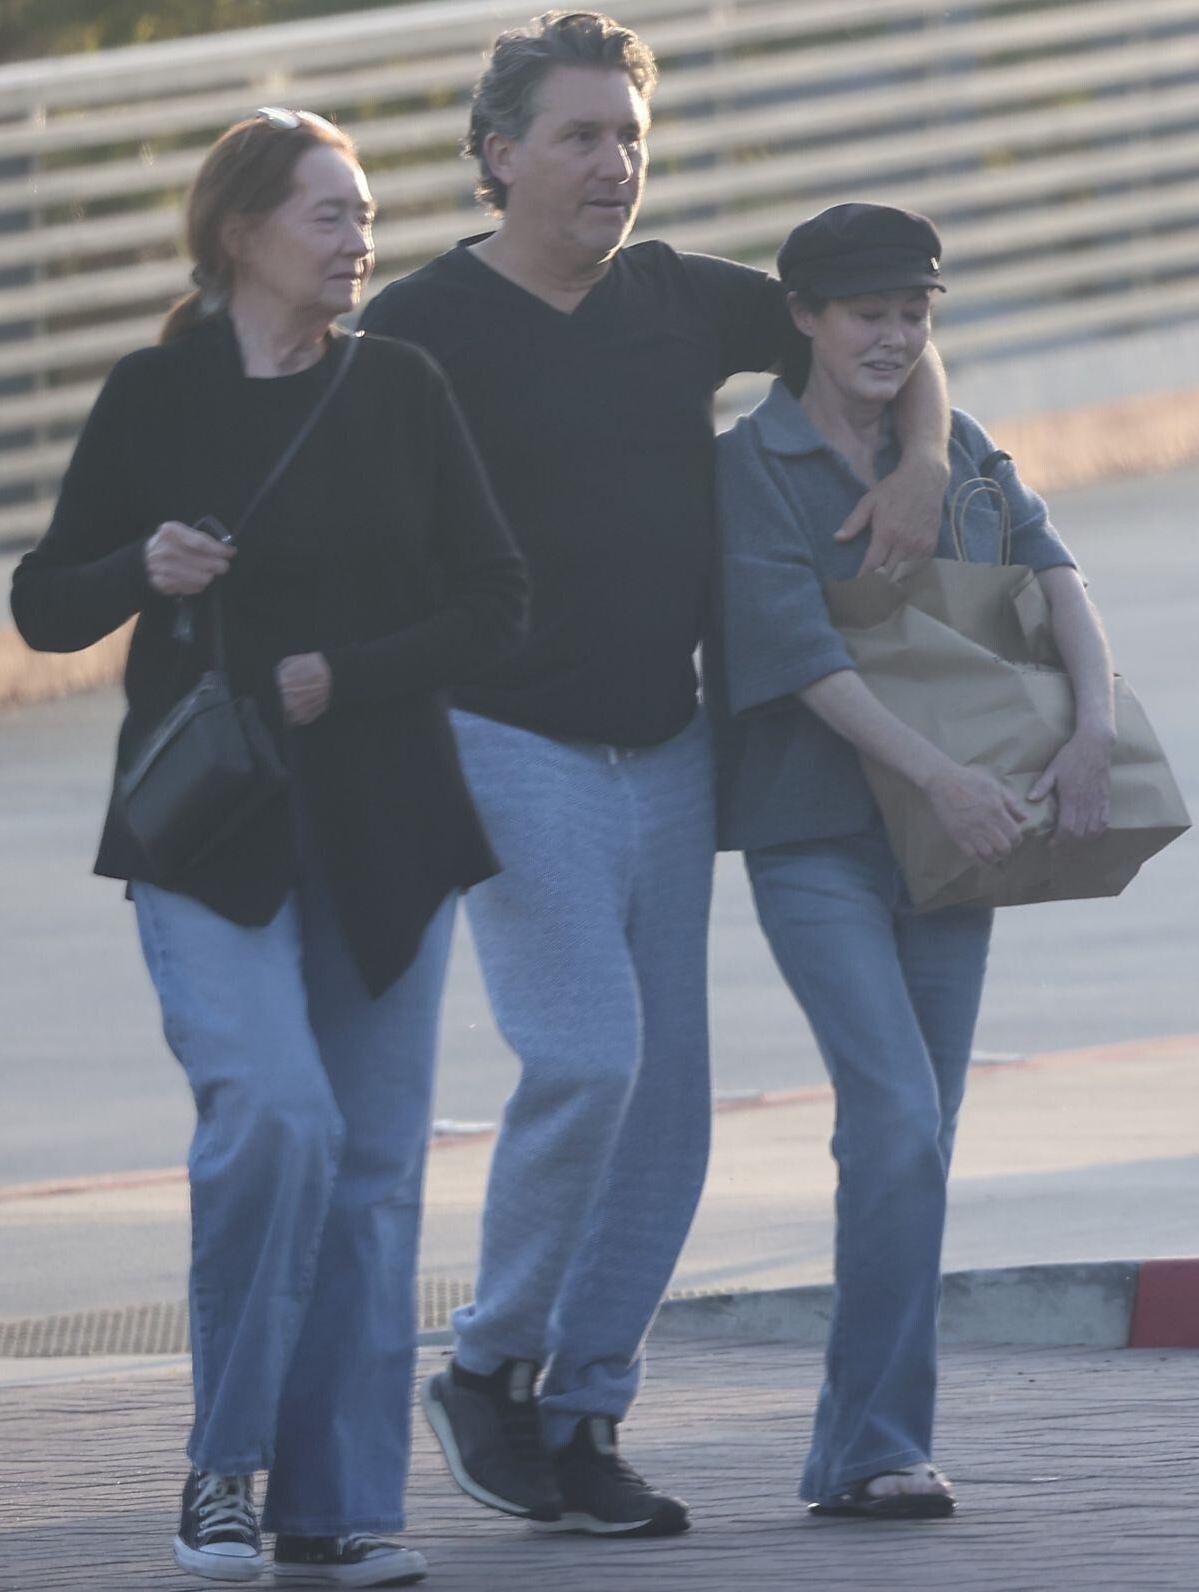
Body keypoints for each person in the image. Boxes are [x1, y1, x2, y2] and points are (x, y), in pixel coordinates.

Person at [358, 10, 955, 1538]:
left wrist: (927, 458)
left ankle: (585, 1412)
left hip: (670, 747)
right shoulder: (419, 327)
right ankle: (487, 1363)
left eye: (629, 135)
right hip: (505, 740)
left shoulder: (683, 297)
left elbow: (879, 324)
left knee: (673, 1107)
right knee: (589, 1061)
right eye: (580, 136)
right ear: (500, 155)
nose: (613, 164)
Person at [10, 109, 526, 1586]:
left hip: (388, 832)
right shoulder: (153, 393)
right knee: (276, 1120)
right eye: (328, 215)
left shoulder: (401, 386)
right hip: (208, 832)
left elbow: (497, 602)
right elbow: (45, 602)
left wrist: (343, 676)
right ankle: (220, 1473)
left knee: (370, 1176)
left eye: (364, 213)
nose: (359, 239)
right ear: (241, 234)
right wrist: (142, 565)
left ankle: (339, 1508)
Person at [710, 201, 1116, 1518]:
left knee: (917, 1141)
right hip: (819, 840)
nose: (892, 337)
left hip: (955, 847)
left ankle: (858, 1451)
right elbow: (799, 659)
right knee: (892, 1120)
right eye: (866, 314)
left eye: (912, 314)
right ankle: (882, 1445)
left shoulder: (956, 447)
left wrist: (1094, 732)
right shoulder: (750, 464)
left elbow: (1057, 577)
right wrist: (943, 775)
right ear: (804, 319)